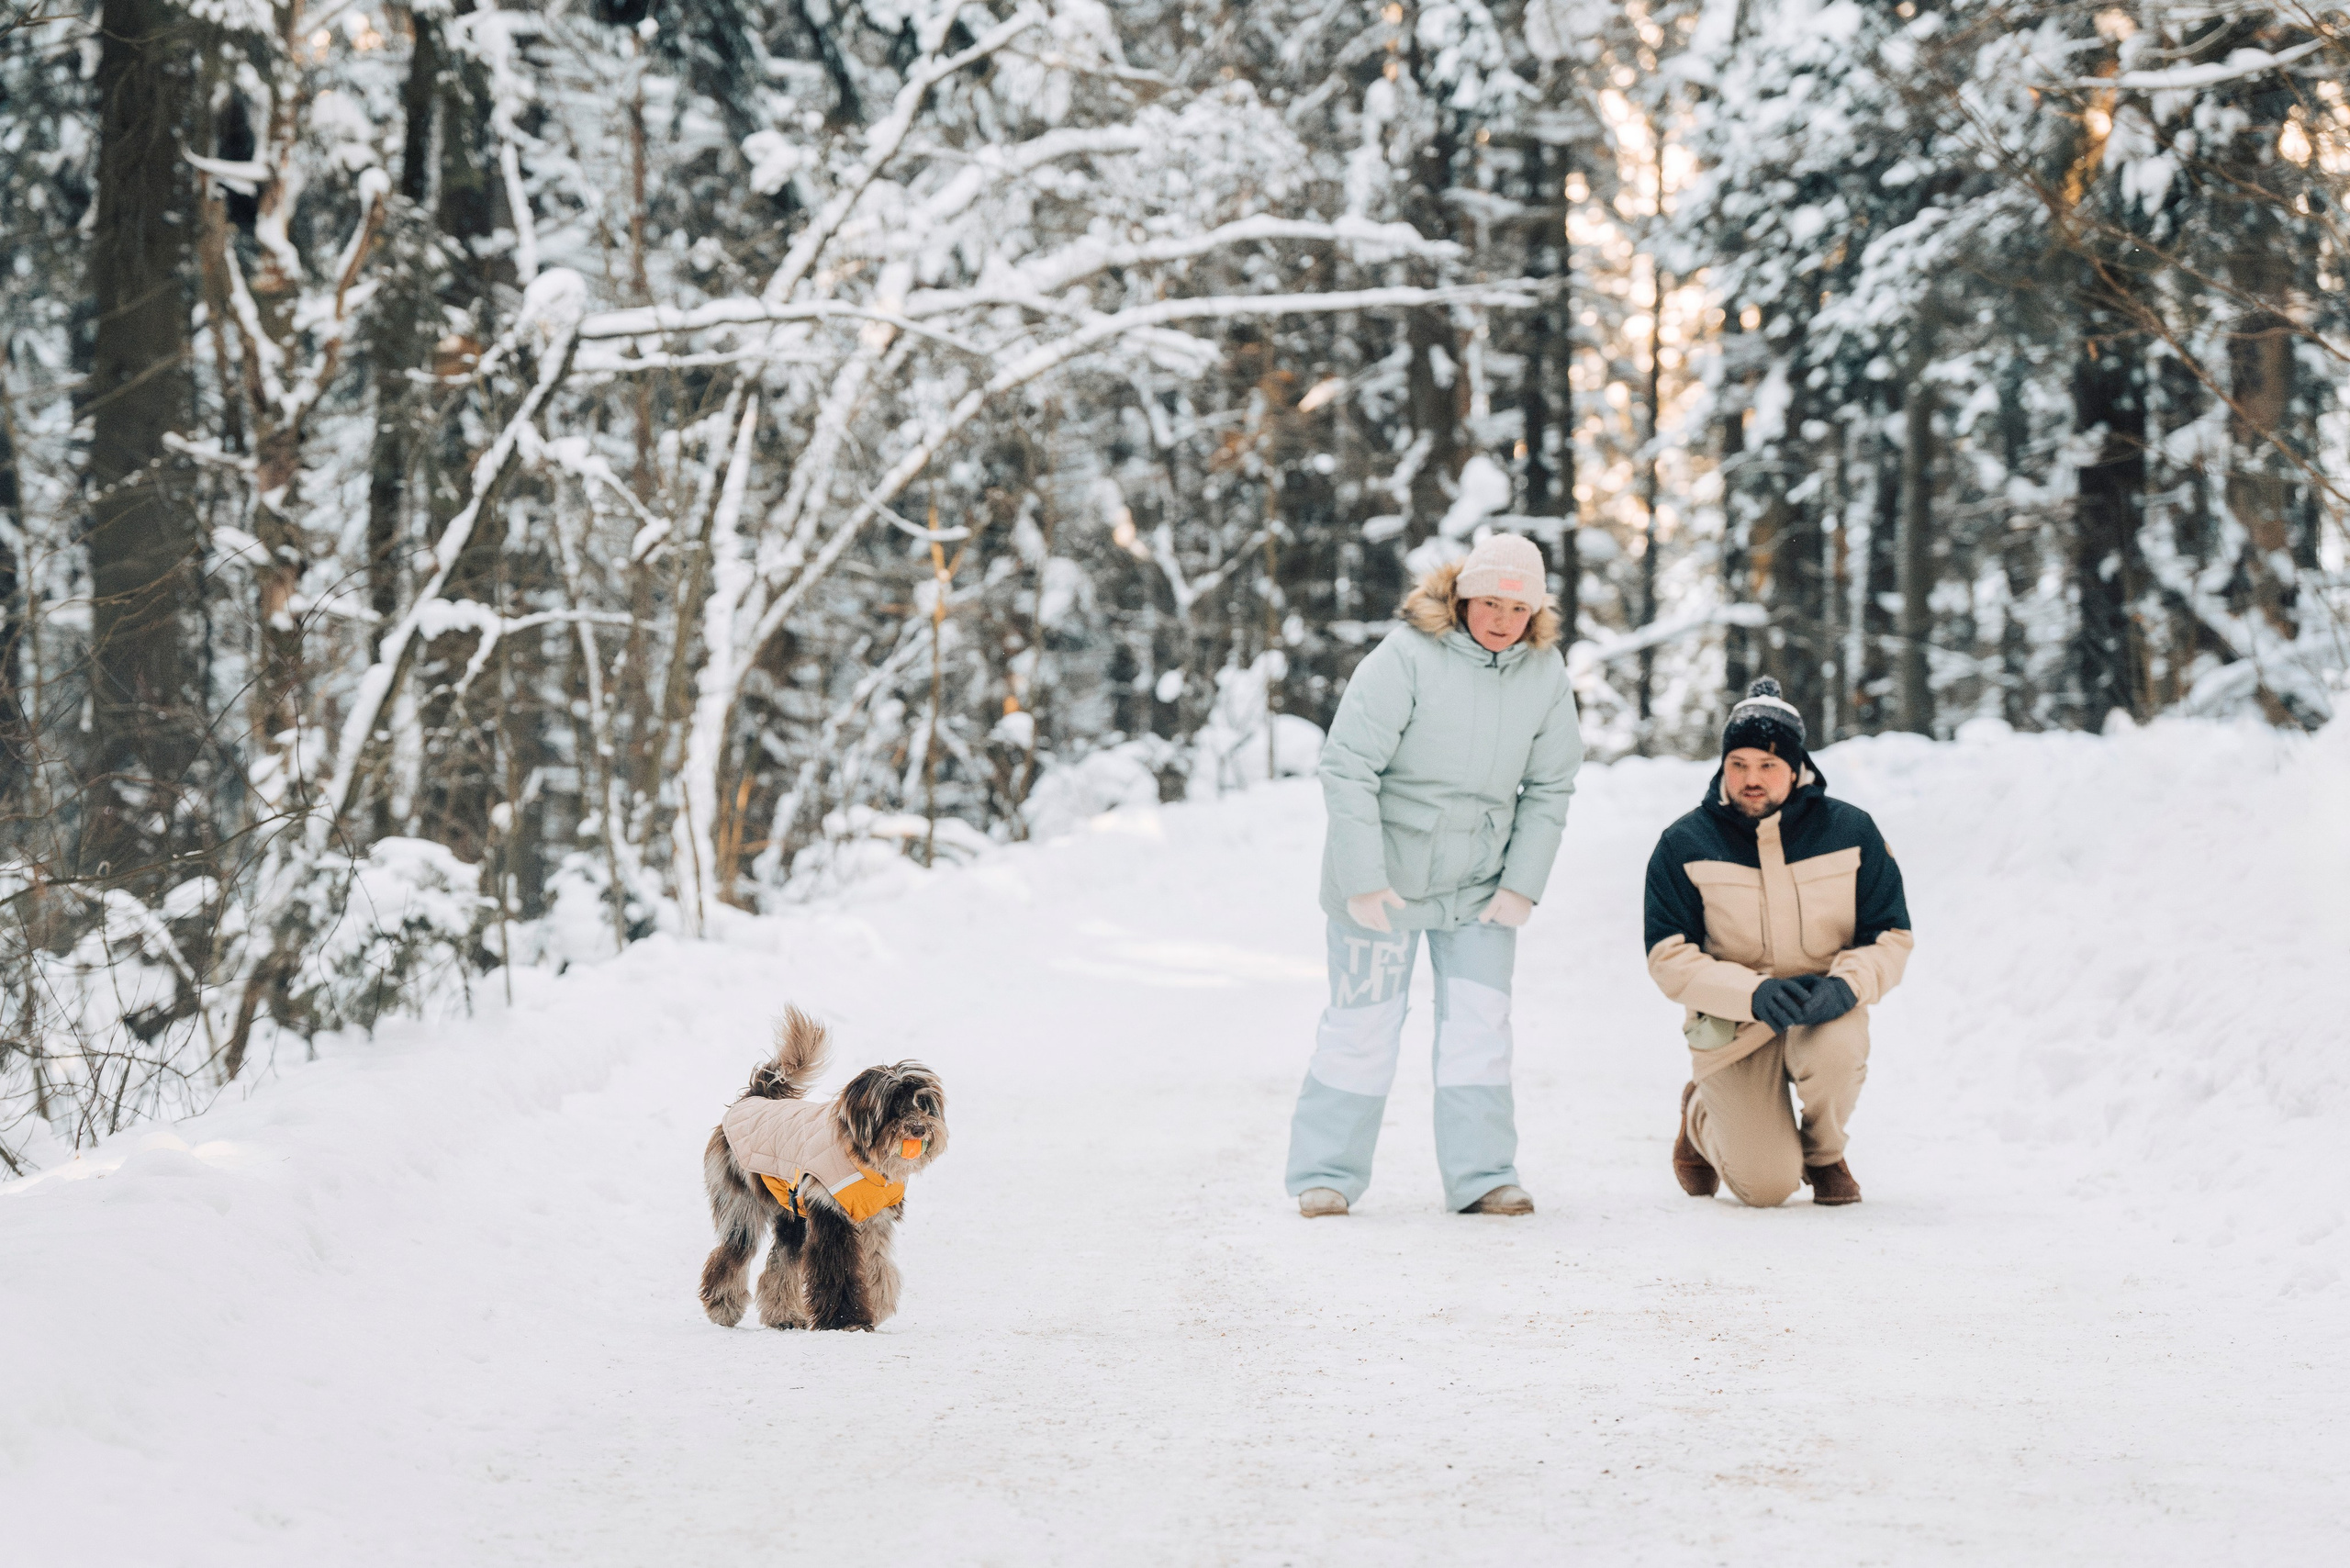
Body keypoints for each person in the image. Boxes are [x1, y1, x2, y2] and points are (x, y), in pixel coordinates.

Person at [1286, 533, 1584, 1218]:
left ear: (1536, 611)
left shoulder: (1544, 673)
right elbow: (1348, 765)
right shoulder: (1407, 657)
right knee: (1363, 1025)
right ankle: (1326, 1172)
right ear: (1461, 596)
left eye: (1518, 606)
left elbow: (1550, 786)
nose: (1502, 619)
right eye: (1489, 601)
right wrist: (1363, 878)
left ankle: (1482, 1177)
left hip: (1478, 888)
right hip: (1383, 880)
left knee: (1481, 1026)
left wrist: (1521, 884)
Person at [1643, 678, 1914, 1207]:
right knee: (1764, 1188)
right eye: (1739, 764)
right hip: (1735, 1023)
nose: (1751, 779)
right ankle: (1701, 1114)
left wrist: (1846, 986)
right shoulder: (1685, 842)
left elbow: (1891, 936)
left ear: (1797, 768)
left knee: (1837, 1049)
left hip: (1821, 1011)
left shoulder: (1851, 831)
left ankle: (1825, 1155)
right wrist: (1751, 993)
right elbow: (1667, 957)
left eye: (1768, 766)